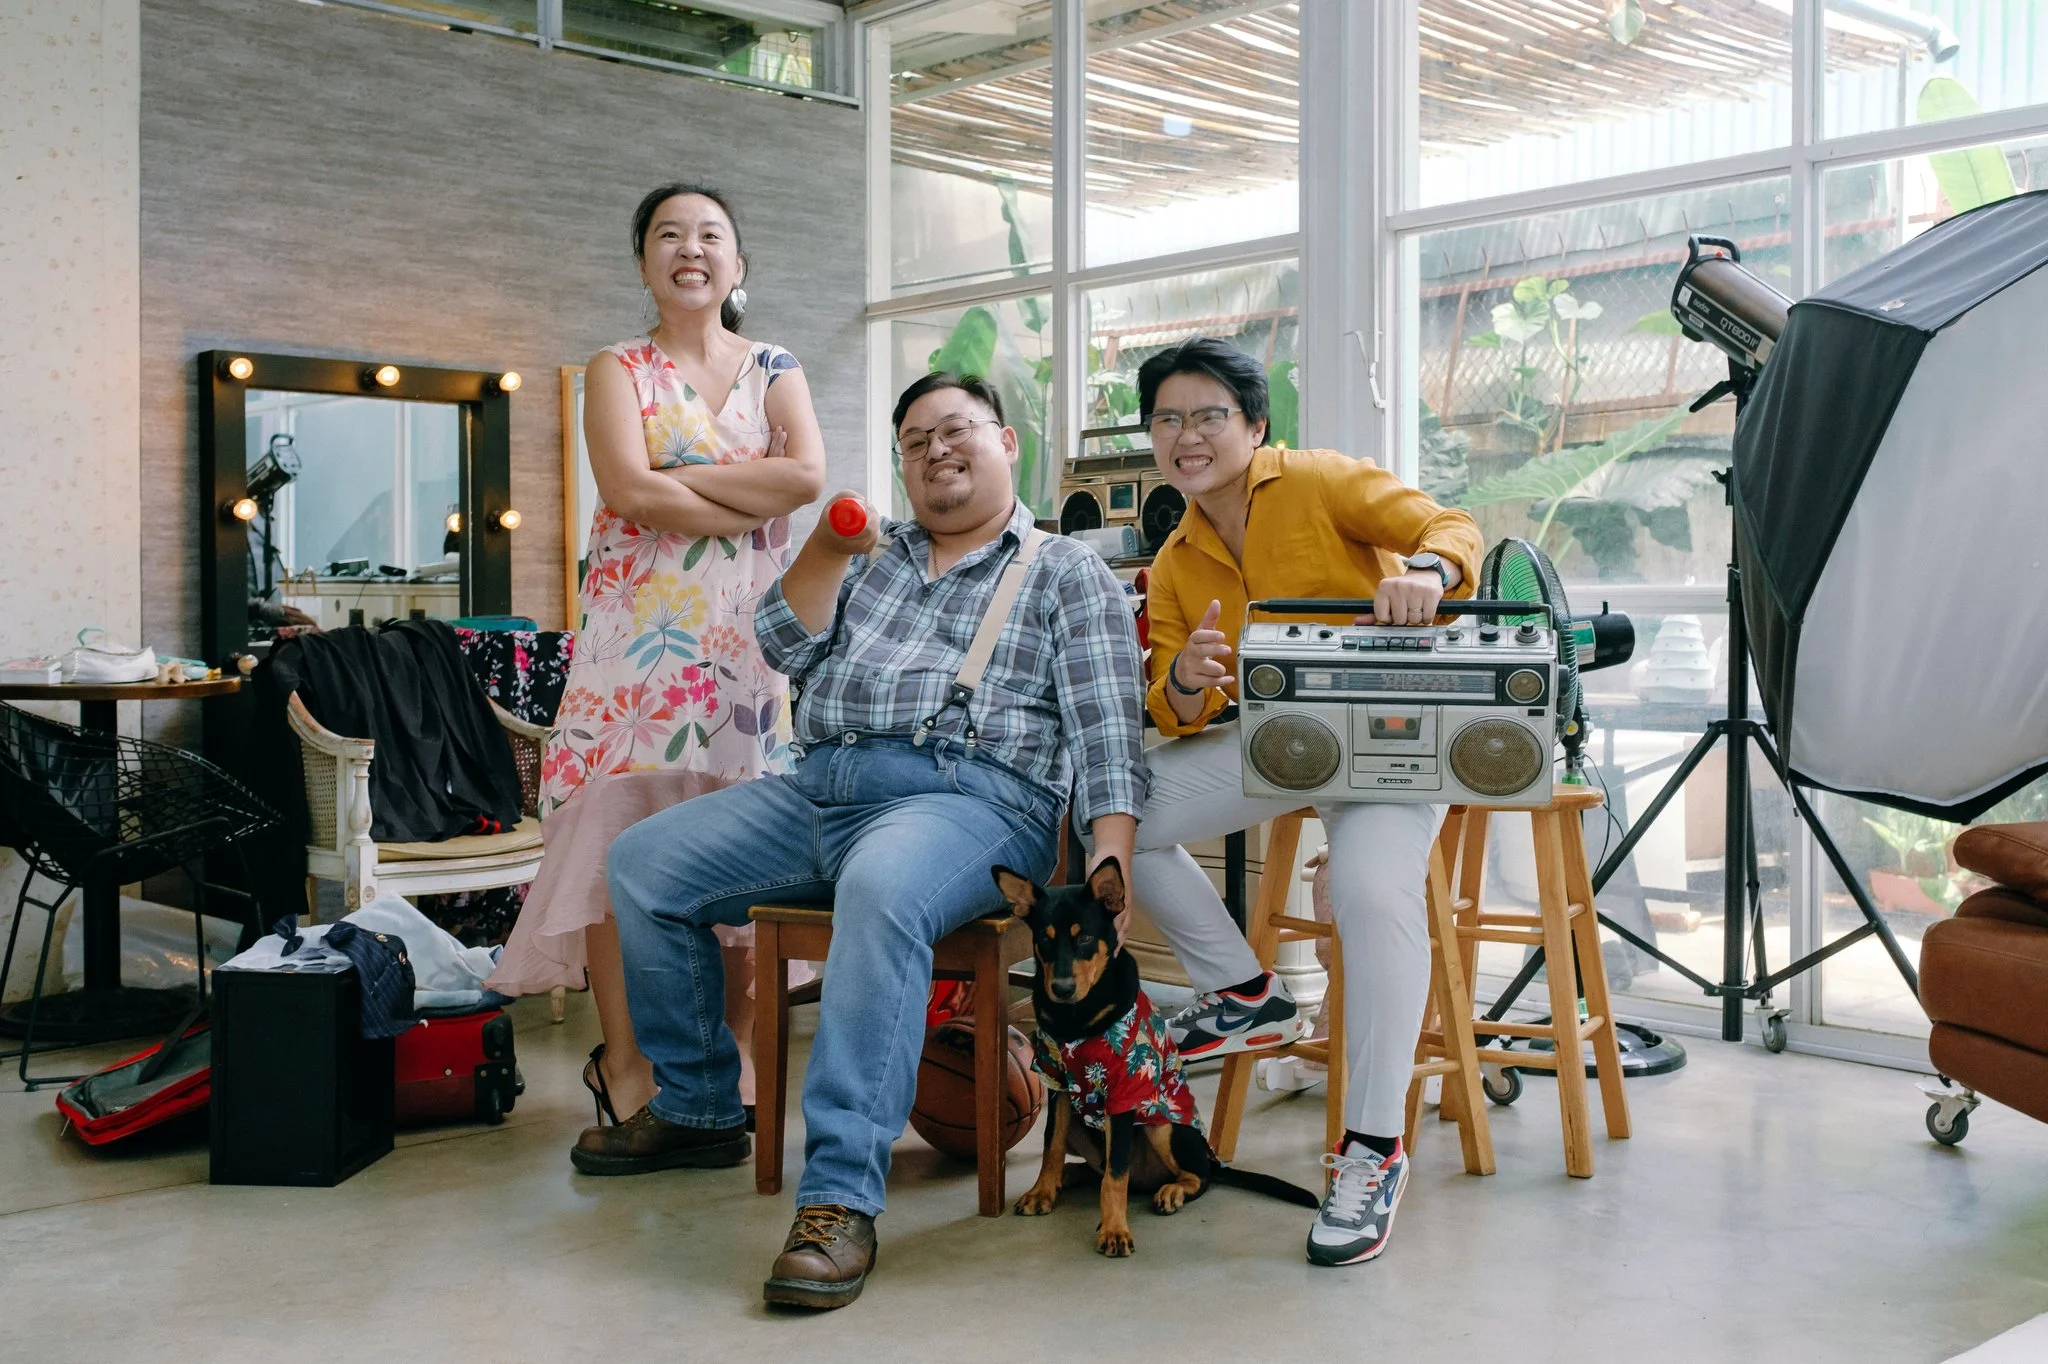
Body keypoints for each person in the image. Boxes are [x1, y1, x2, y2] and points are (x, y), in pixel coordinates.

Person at [581, 372, 1148, 1310]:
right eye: (915, 442)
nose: (936, 451)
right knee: (643, 865)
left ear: (1007, 442)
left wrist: (1109, 866)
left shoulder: (1064, 570)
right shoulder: (874, 556)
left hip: (970, 800)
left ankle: (839, 1196)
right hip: (823, 787)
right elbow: (781, 642)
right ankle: (699, 1107)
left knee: (881, 891)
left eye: (956, 430)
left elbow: (1108, 736)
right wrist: (826, 545)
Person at [1125, 336, 1482, 1268]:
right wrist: (1188, 680)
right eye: (1168, 419)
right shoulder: (1175, 559)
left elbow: (1452, 526)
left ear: (1254, 424)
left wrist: (1426, 575)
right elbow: (1170, 702)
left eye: (1209, 415)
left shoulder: (1321, 480)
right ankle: (1245, 994)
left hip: (1390, 739)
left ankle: (1374, 1150)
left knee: (1369, 893)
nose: (1187, 435)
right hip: (1279, 746)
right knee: (1122, 817)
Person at [486, 184, 825, 1145]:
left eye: (711, 235)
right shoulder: (616, 368)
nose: (691, 249)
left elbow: (806, 478)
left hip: (746, 654)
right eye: (669, 235)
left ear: (738, 263)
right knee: (615, 846)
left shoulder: (775, 366)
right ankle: (627, 1066)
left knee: (742, 857)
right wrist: (746, 497)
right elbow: (629, 492)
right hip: (631, 654)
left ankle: (731, 1059)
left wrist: (681, 483)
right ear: (643, 262)